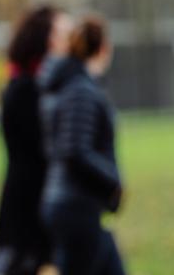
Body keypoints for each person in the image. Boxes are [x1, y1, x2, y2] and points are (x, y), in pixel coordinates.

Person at [0, 6, 72, 275]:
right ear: (44, 38)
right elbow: (42, 148)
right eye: (62, 34)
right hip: (29, 210)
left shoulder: (33, 84)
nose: (68, 41)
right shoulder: (26, 87)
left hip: (34, 207)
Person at [38, 16, 125, 275]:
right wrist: (113, 182)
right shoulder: (81, 90)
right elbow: (75, 150)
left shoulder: (75, 86)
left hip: (75, 204)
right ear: (102, 48)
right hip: (74, 206)